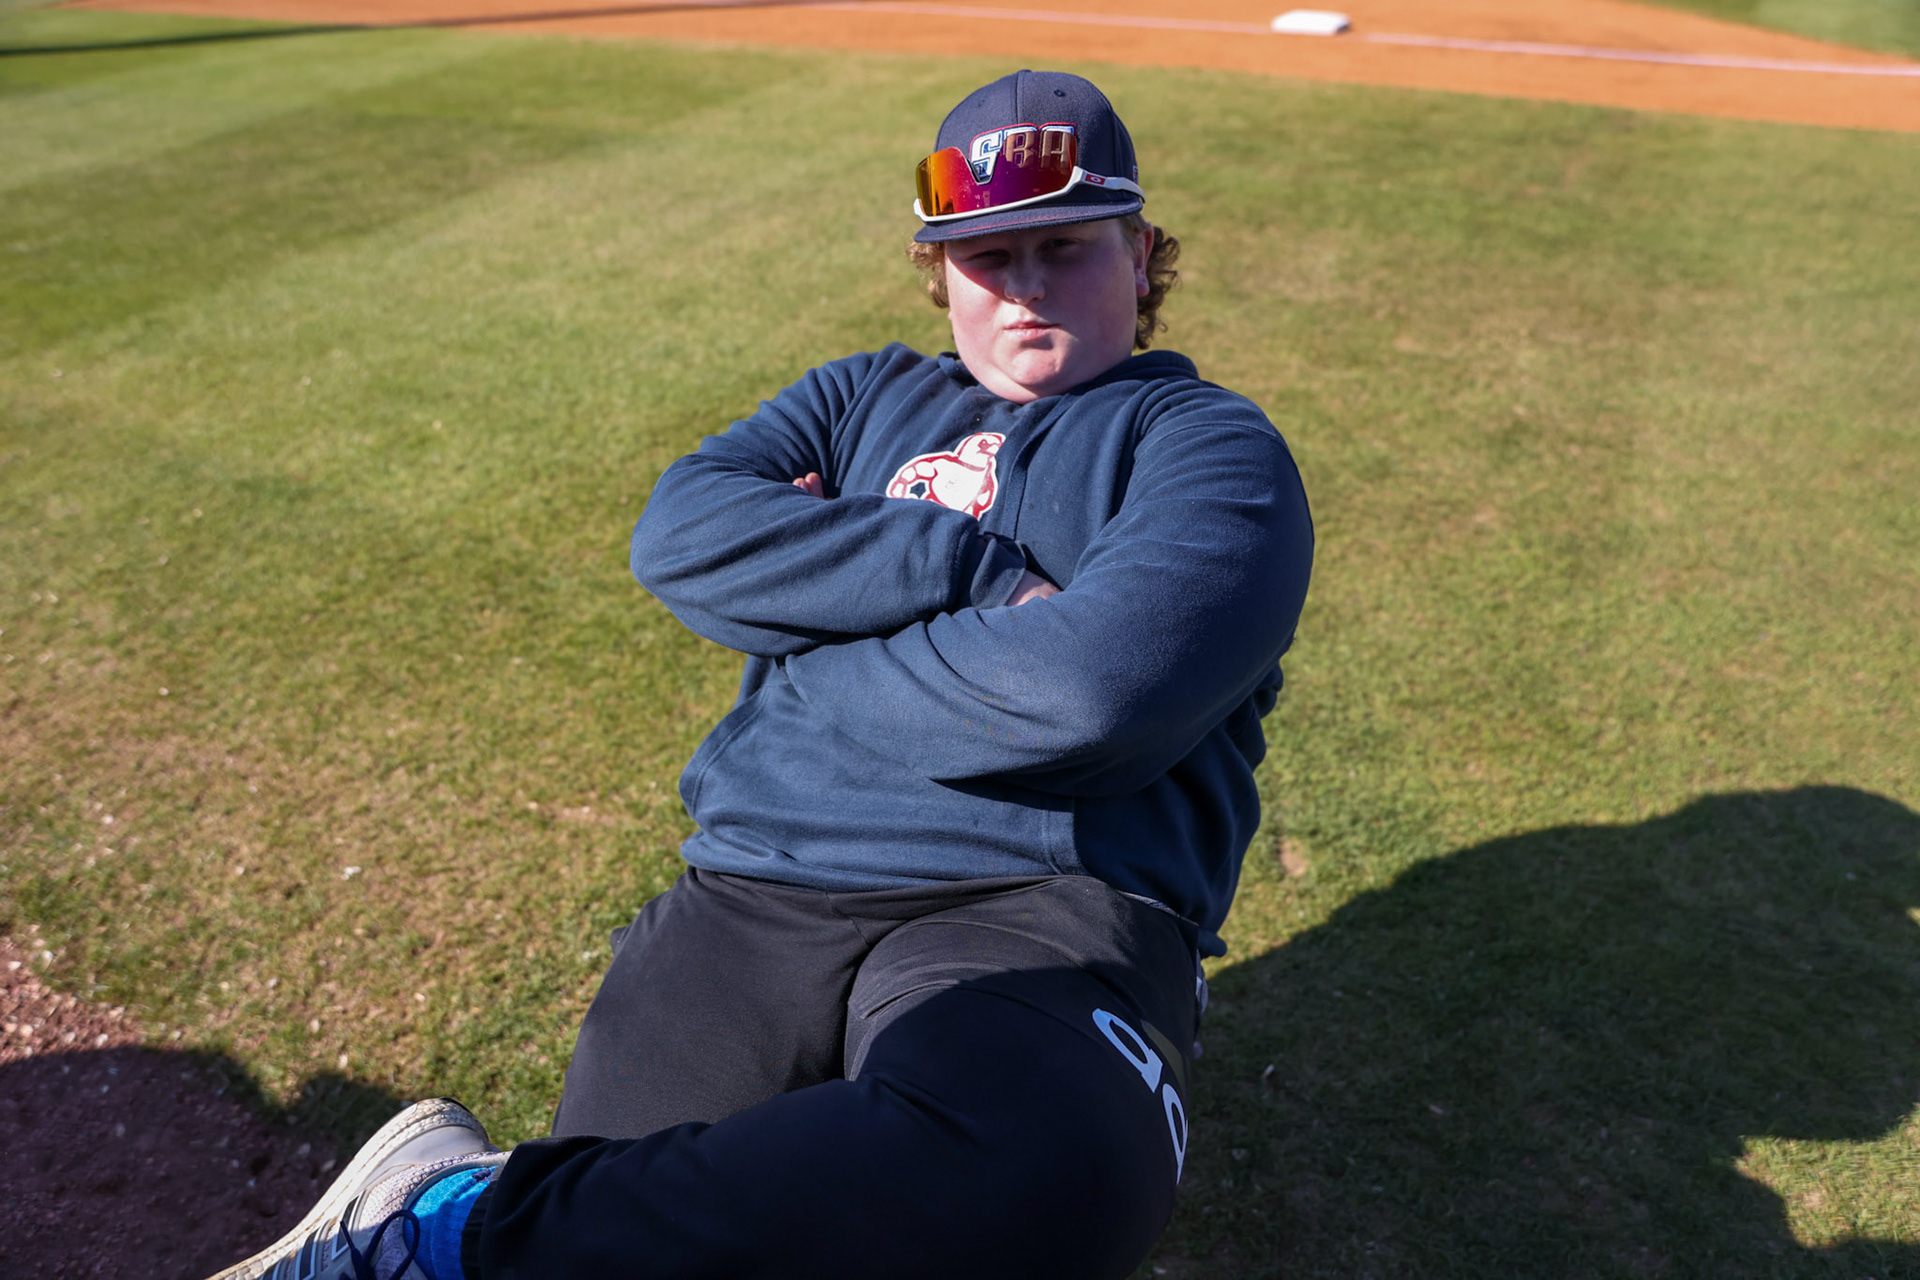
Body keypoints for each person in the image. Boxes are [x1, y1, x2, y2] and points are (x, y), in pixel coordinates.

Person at [209, 68, 1312, 1280]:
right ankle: (457, 1224)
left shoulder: (1210, 447)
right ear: (935, 266)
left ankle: (452, 1221)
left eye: (1067, 245)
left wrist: (799, 624)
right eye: (987, 256)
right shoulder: (858, 397)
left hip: (1047, 905)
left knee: (1048, 1173)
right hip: (760, 885)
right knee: (625, 1250)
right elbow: (677, 534)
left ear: (1143, 253)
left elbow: (1090, 697)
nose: (1026, 291)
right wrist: (976, 578)